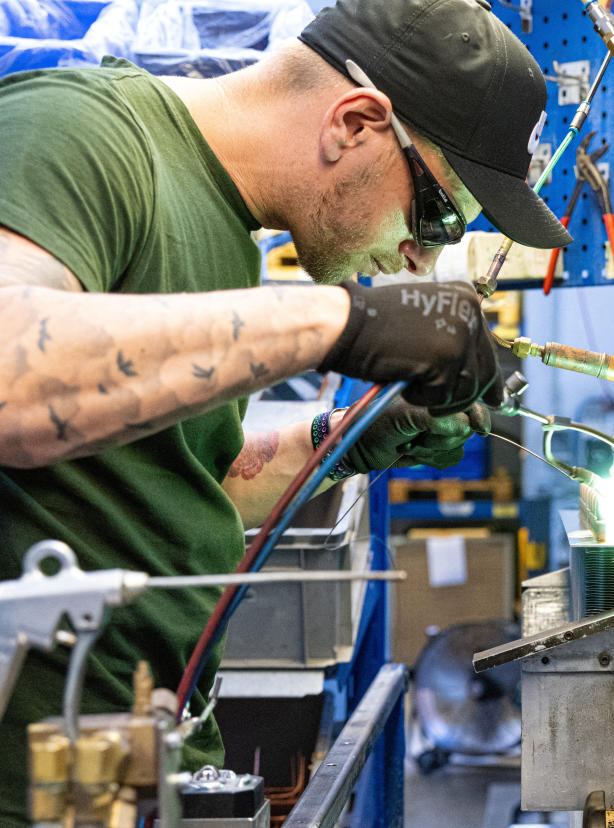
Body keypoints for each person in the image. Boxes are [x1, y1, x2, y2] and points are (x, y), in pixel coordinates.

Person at [0, 0, 571, 820]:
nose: (425, 258)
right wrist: (346, 325)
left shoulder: (229, 231)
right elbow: (12, 377)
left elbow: (182, 485)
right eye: (436, 216)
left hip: (150, 771)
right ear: (357, 121)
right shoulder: (79, 132)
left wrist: (348, 442)